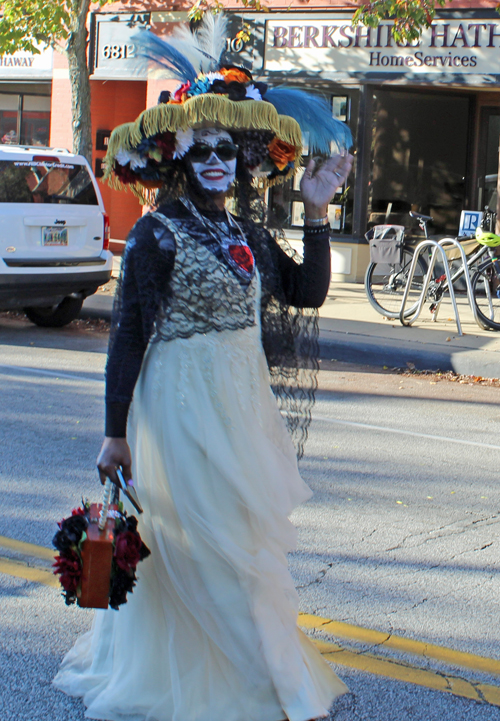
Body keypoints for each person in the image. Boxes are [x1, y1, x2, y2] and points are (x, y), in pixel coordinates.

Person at [53, 14, 353, 721]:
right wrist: (114, 432)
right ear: (178, 158)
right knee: (204, 544)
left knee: (242, 540)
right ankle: (246, 682)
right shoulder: (157, 233)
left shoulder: (245, 231)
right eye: (203, 148)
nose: (217, 159)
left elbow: (305, 293)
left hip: (241, 406)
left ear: (243, 159)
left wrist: (316, 212)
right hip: (179, 406)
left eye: (228, 148)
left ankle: (262, 668)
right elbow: (128, 333)